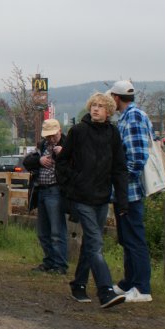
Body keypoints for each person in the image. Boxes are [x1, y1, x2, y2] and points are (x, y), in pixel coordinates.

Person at [55, 92, 129, 309]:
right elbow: (62, 162)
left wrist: (122, 200)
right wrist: (73, 183)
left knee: (90, 243)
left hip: (102, 197)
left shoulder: (113, 133)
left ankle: (78, 284)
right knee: (96, 243)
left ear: (109, 111)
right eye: (93, 105)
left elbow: (119, 168)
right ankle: (105, 291)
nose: (96, 109)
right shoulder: (78, 131)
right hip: (82, 197)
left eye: (100, 106)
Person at [108, 80, 155, 304]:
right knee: (127, 238)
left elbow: (137, 157)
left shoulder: (133, 117)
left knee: (135, 239)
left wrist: (122, 183)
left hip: (130, 191)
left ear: (116, 98)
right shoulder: (128, 117)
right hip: (125, 190)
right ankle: (129, 282)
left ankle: (142, 287)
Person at [23, 119, 68, 275]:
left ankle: (60, 264)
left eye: (53, 135)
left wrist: (63, 154)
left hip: (56, 190)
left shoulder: (68, 144)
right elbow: (26, 162)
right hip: (41, 190)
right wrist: (39, 160)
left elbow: (76, 164)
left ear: (59, 131)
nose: (51, 139)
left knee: (57, 231)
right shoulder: (42, 146)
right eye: (48, 136)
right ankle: (49, 261)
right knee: (43, 232)